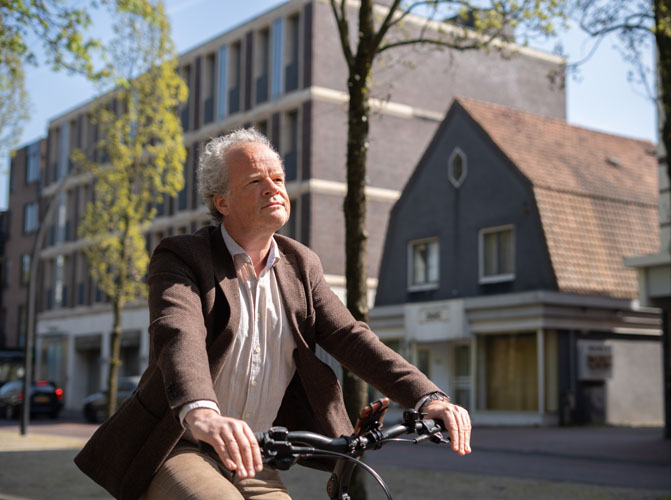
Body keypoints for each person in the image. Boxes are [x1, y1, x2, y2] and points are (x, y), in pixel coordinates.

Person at [75, 128, 471, 500]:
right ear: (222, 201)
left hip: (253, 454)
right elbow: (179, 335)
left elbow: (352, 337)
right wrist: (201, 412)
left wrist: (427, 398)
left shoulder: (301, 264)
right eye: (255, 181)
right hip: (181, 443)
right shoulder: (183, 257)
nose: (273, 188)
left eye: (278, 179)